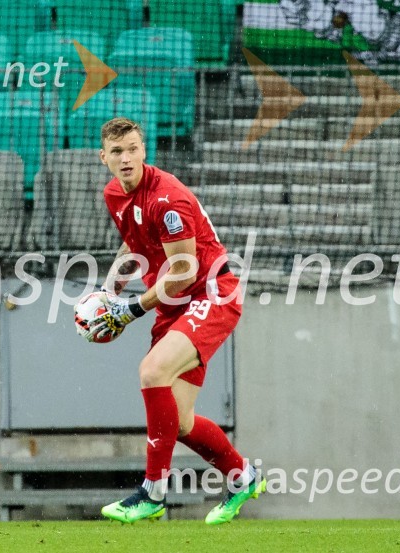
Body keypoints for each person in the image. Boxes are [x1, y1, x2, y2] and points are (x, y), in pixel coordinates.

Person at [85, 117, 266, 525]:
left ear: (144, 150)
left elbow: (182, 272)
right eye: (117, 152)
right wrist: (107, 294)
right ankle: (243, 477)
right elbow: (136, 246)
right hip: (175, 305)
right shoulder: (114, 194)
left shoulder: (168, 199)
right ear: (104, 159)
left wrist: (129, 310)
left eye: (132, 148)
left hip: (210, 293)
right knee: (180, 422)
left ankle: (152, 493)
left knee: (152, 371)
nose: (126, 158)